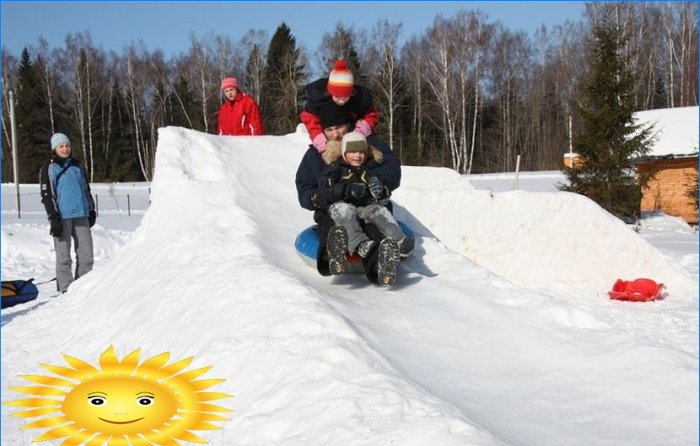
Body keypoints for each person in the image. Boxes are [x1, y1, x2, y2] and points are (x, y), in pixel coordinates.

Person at [295, 103, 405, 286]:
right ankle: (332, 256)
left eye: (339, 127)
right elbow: (305, 185)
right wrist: (315, 198)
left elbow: (392, 170)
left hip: (369, 204)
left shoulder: (368, 144)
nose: (336, 134)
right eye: (329, 129)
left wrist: (375, 183)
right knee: (331, 225)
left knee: (374, 229)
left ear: (348, 124)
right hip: (334, 207)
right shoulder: (316, 154)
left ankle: (381, 267)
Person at [313, 131, 415, 285]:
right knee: (344, 211)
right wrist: (347, 189)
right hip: (340, 206)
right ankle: (359, 244)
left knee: (378, 210)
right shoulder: (335, 169)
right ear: (344, 153)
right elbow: (324, 191)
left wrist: (381, 192)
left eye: (361, 152)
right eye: (353, 151)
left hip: (362, 208)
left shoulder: (368, 172)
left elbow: (380, 198)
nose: (357, 156)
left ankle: (399, 241)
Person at [39, 133, 96, 294]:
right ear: (54, 149)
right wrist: (53, 217)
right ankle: (66, 290)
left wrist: (91, 210)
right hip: (61, 218)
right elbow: (47, 196)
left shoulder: (78, 166)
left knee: (87, 256)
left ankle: (82, 287)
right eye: (61, 146)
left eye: (67, 145)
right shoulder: (49, 168)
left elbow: (86, 190)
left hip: (81, 215)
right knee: (64, 258)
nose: (65, 149)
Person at [300, 59, 378, 153]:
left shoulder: (360, 99)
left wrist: (360, 132)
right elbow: (309, 118)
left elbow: (371, 115)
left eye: (345, 96)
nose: (341, 101)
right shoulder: (318, 98)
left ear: (352, 93)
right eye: (337, 96)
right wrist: (318, 137)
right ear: (330, 92)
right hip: (327, 137)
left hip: (352, 130)